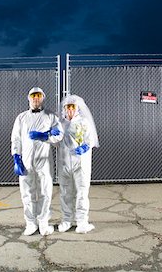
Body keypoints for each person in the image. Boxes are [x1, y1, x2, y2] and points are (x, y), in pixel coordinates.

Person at [11, 87, 63, 236]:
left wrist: (44, 136)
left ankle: (44, 223)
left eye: (38, 96)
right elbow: (16, 138)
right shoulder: (21, 117)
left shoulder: (51, 116)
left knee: (45, 192)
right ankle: (31, 223)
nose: (35, 99)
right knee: (26, 193)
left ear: (42, 98)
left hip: (44, 161)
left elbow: (59, 136)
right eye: (33, 96)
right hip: (26, 161)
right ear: (29, 98)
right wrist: (16, 157)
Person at [57, 94, 99, 234]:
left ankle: (82, 221)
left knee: (82, 191)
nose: (69, 110)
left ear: (77, 108)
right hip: (64, 163)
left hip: (81, 163)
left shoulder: (84, 122)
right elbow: (55, 141)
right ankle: (66, 220)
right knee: (65, 192)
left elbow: (91, 140)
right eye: (67, 107)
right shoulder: (60, 123)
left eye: (72, 107)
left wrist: (85, 147)